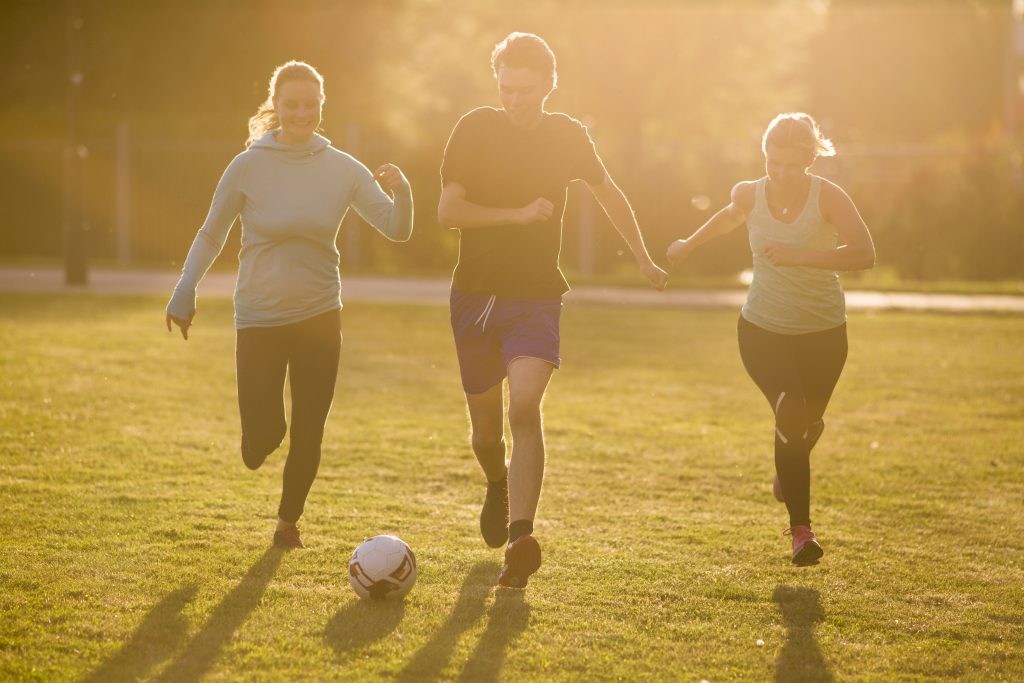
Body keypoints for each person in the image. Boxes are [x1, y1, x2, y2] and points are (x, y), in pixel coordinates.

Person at [438, 32, 668, 588]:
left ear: (548, 86)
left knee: (524, 410)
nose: (516, 100)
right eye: (507, 88)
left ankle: (521, 538)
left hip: (536, 297)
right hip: (475, 297)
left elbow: (608, 191)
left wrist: (641, 255)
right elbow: (449, 211)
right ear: (497, 83)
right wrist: (516, 214)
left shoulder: (568, 135)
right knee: (486, 435)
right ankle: (498, 483)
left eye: (527, 90)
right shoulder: (474, 127)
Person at [165, 60, 413, 550]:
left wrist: (403, 192)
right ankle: (257, 442)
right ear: (276, 106)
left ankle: (287, 524)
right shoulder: (248, 165)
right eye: (292, 103)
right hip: (259, 317)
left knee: (309, 428)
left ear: (322, 108)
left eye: (310, 104)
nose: (301, 112)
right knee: (264, 437)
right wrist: (185, 287)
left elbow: (396, 228)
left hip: (321, 315)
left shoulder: (342, 167)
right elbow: (212, 232)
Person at [667, 112, 875, 565]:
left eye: (790, 165)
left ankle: (791, 457)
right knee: (791, 408)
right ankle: (802, 531)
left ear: (808, 159)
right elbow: (727, 218)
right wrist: (687, 244)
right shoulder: (749, 192)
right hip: (762, 328)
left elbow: (865, 253)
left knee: (804, 425)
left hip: (824, 332)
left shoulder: (829, 197)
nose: (779, 173)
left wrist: (801, 256)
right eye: (772, 162)